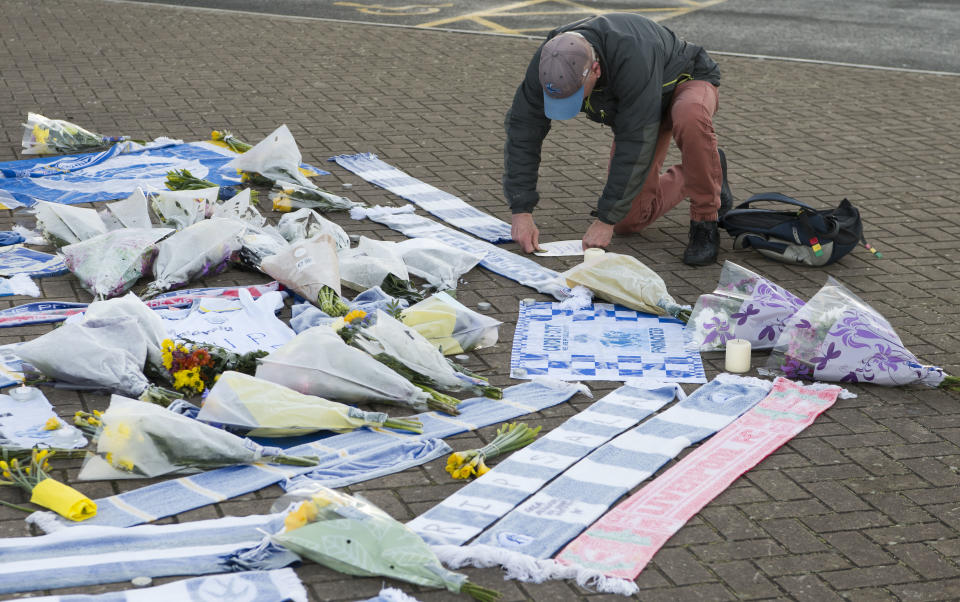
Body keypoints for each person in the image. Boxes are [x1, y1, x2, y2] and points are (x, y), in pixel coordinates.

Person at [503, 13, 733, 266]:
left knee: (690, 116)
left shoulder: (632, 55)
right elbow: (523, 132)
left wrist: (605, 219)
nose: (574, 104)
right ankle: (709, 169)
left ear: (596, 69)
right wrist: (520, 210)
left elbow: (634, 143)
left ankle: (705, 220)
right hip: (640, 109)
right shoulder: (550, 61)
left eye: (576, 95)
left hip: (685, 83)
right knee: (628, 221)